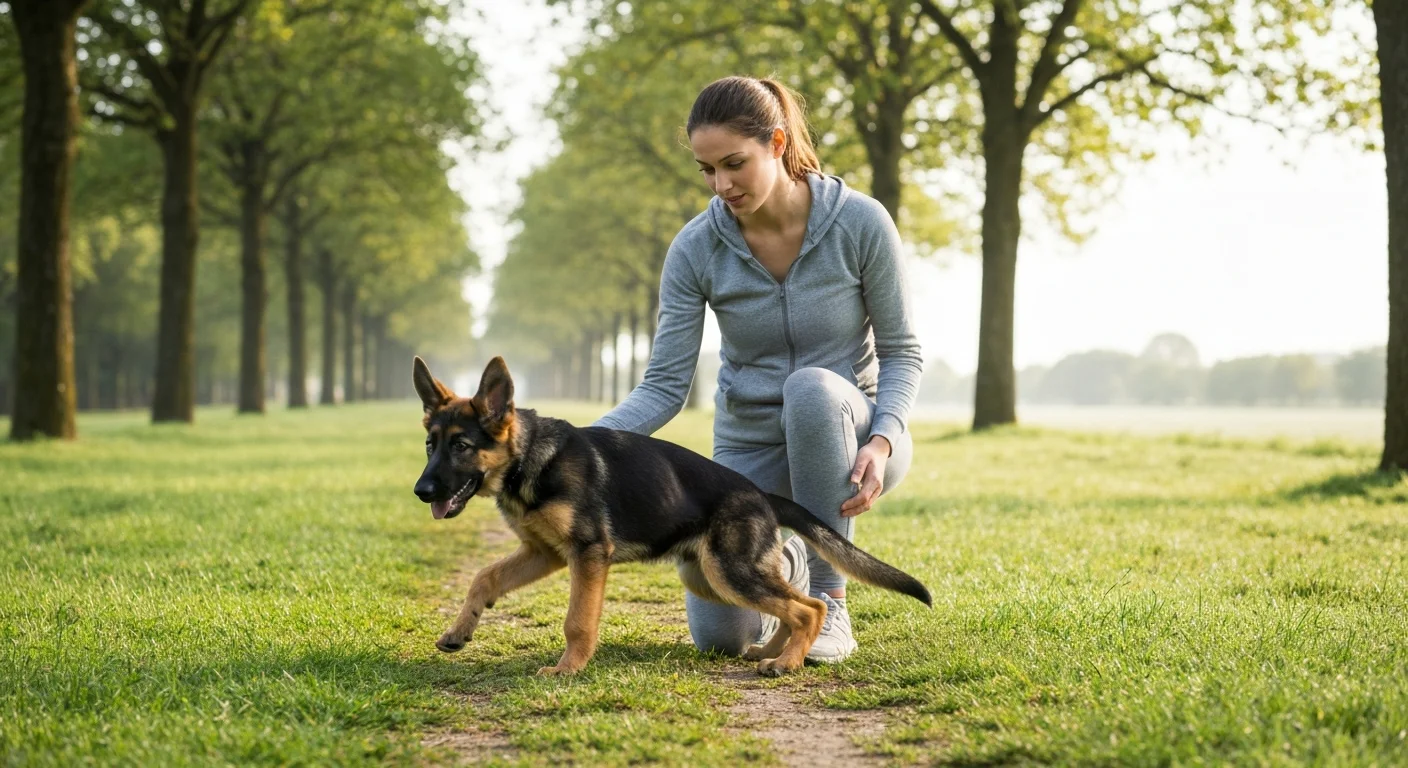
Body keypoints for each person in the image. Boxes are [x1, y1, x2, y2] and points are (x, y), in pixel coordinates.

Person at [593, 75, 922, 663]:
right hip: (749, 450)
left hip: (851, 437)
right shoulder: (697, 248)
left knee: (812, 389)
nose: (721, 185)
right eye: (706, 170)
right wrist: (587, 445)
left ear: (775, 142)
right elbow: (666, 384)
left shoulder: (861, 223)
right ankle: (788, 559)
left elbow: (903, 349)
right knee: (721, 636)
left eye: (734, 164)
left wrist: (884, 438)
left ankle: (829, 597)